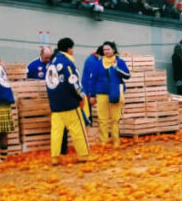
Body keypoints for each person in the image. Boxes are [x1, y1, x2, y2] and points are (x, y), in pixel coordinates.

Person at [45, 37, 91, 165]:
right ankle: (83, 155)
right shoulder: (67, 63)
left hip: (55, 103)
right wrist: (81, 96)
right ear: (69, 49)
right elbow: (73, 81)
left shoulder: (52, 63)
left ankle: (55, 157)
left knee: (56, 131)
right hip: (69, 102)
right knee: (78, 129)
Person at [91, 40, 130, 147]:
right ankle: (103, 141)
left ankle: (116, 141)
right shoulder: (98, 63)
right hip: (101, 93)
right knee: (102, 119)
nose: (106, 51)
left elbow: (127, 75)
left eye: (108, 49)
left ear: (113, 50)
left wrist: (116, 68)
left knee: (115, 119)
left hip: (115, 93)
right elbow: (93, 79)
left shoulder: (119, 61)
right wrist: (92, 94)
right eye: (104, 50)